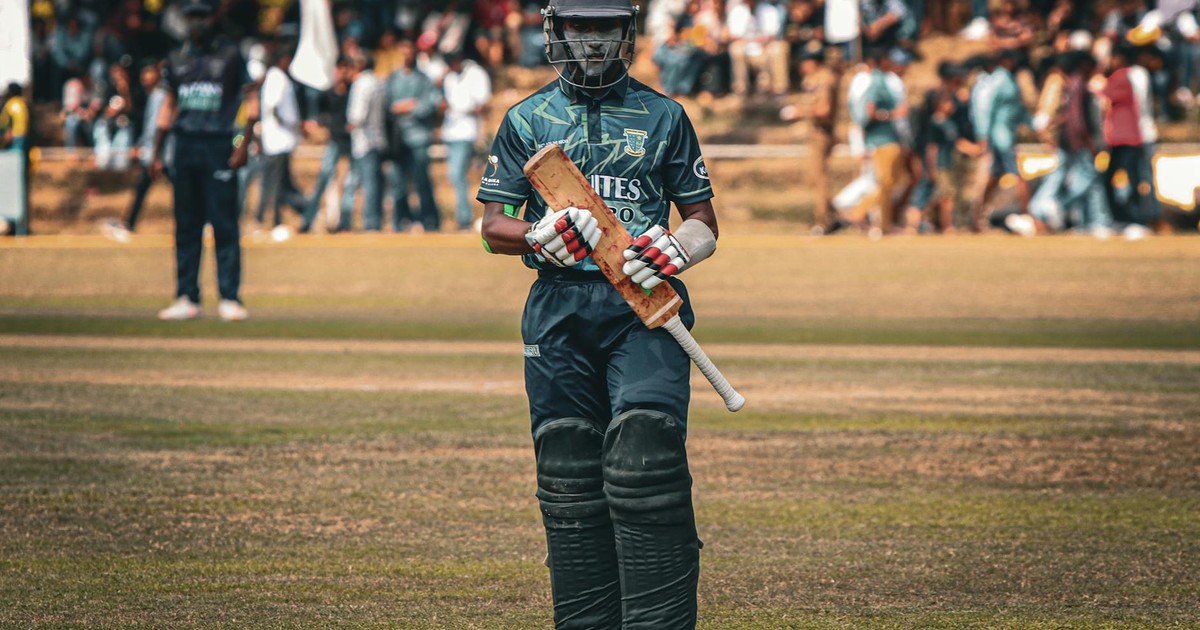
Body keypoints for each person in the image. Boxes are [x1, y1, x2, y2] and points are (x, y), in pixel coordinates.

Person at [477, 0, 721, 627]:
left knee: (646, 450)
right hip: (559, 306)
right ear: (557, 32)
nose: (592, 41)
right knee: (567, 463)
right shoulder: (527, 118)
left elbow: (702, 221)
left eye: (604, 28)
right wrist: (536, 236)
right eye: (580, 28)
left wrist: (676, 249)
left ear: (626, 33)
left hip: (643, 304)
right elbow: (492, 226)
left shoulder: (665, 116)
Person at [152, 0, 253, 322]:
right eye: (191, 16)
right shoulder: (176, 57)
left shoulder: (231, 55)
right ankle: (186, 296)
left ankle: (229, 297)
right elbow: (167, 108)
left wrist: (242, 145)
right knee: (187, 226)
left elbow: (250, 106)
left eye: (202, 16)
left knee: (224, 224)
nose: (197, 22)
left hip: (220, 145)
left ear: (213, 18)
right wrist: (156, 152)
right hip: (185, 146)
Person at [103, 61, 173, 242]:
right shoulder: (153, 94)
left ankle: (128, 224)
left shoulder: (161, 94)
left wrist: (153, 152)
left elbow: (158, 126)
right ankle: (129, 223)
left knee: (176, 188)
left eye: (149, 72)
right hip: (155, 151)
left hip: (160, 153)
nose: (145, 78)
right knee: (143, 188)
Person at [781, 44, 840, 234]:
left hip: (821, 133)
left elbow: (824, 109)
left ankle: (825, 221)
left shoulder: (824, 79)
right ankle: (833, 215)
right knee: (815, 177)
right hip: (816, 132)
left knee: (819, 178)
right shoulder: (815, 78)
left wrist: (799, 112)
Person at [384, 39, 442, 233]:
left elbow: (430, 104)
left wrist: (409, 107)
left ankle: (430, 220)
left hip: (419, 137)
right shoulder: (392, 79)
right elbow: (387, 106)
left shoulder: (424, 79)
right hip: (398, 139)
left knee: (422, 180)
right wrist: (403, 106)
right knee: (398, 183)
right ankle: (401, 220)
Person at [254, 45, 308, 234]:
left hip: (273, 140)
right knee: (276, 184)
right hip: (279, 140)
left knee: (277, 183)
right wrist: (292, 126)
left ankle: (264, 220)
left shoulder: (273, 77)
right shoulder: (277, 77)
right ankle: (274, 221)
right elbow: (275, 108)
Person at [300, 55, 354, 234]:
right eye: (340, 69)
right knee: (323, 180)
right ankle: (307, 220)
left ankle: (344, 223)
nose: (343, 73)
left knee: (349, 185)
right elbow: (319, 118)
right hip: (335, 142)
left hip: (352, 143)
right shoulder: (327, 94)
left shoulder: (354, 91)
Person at [441, 51, 492, 231]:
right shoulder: (449, 77)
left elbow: (483, 104)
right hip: (450, 131)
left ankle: (464, 218)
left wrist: (463, 108)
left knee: (457, 175)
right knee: (455, 176)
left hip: (467, 131)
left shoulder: (476, 74)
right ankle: (463, 216)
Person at [341, 53, 386, 233]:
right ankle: (373, 221)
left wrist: (349, 125)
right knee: (373, 184)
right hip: (377, 138)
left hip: (363, 141)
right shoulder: (378, 82)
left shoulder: (361, 83)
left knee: (361, 184)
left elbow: (357, 116)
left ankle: (367, 222)